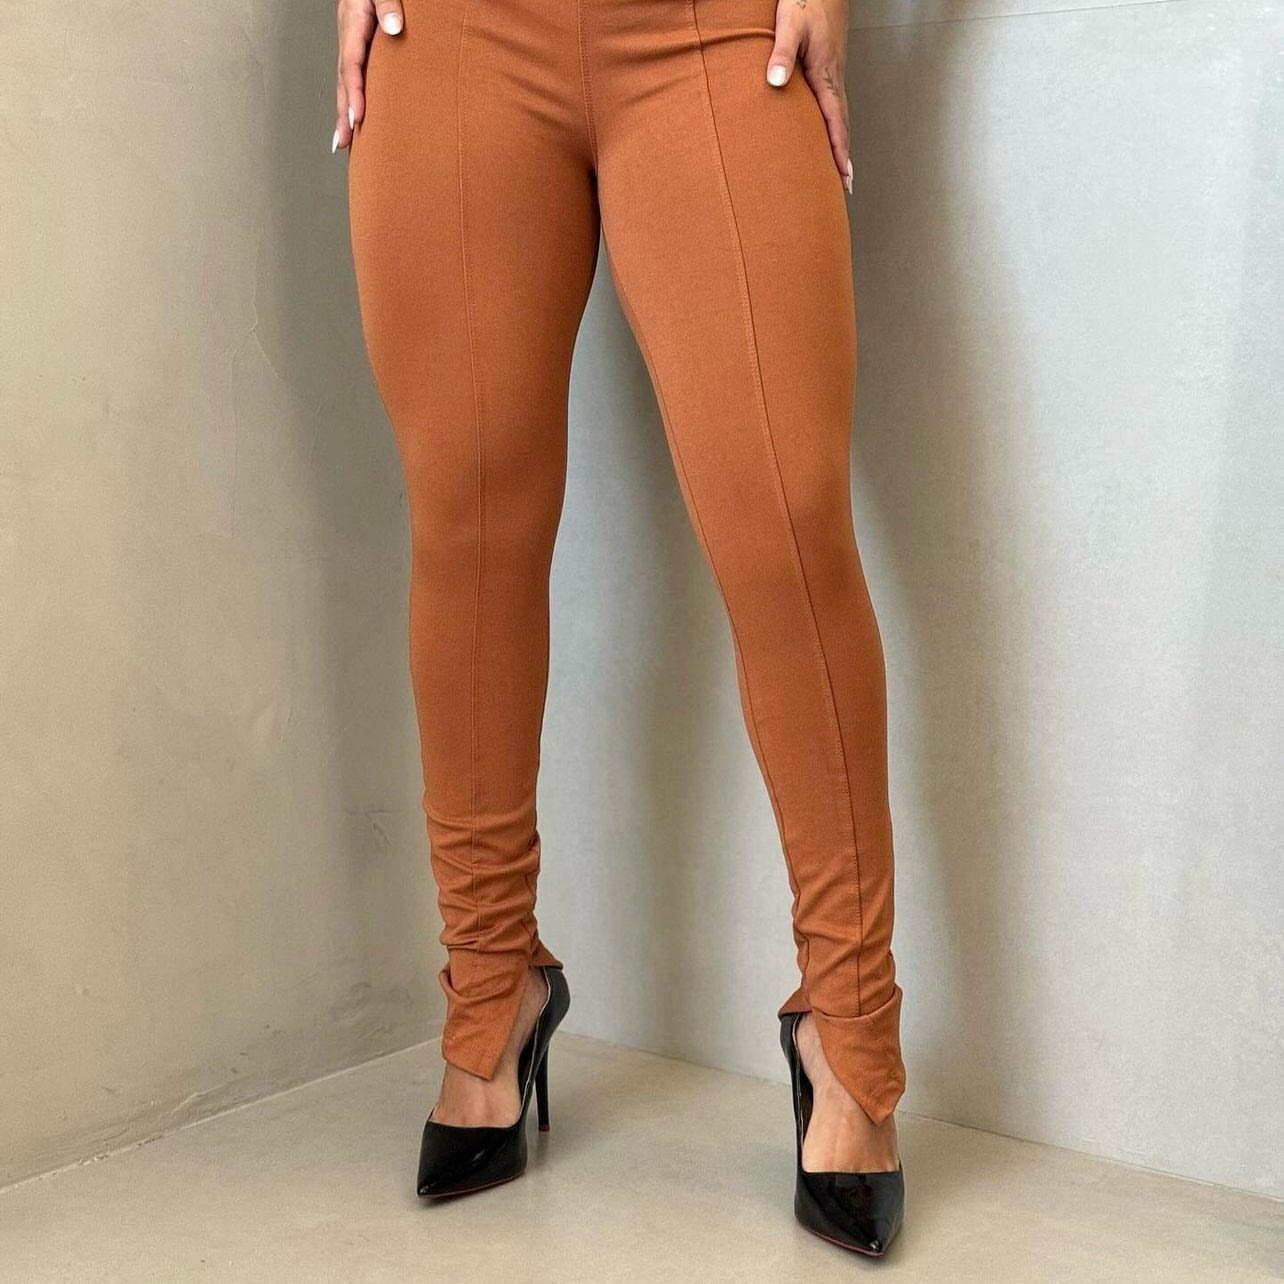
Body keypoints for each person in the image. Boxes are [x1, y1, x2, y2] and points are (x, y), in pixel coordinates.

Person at [334, 0, 907, 1255]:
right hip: (451, 40)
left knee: (784, 525)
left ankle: (851, 1029)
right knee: (469, 527)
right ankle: (491, 992)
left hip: (722, 32)